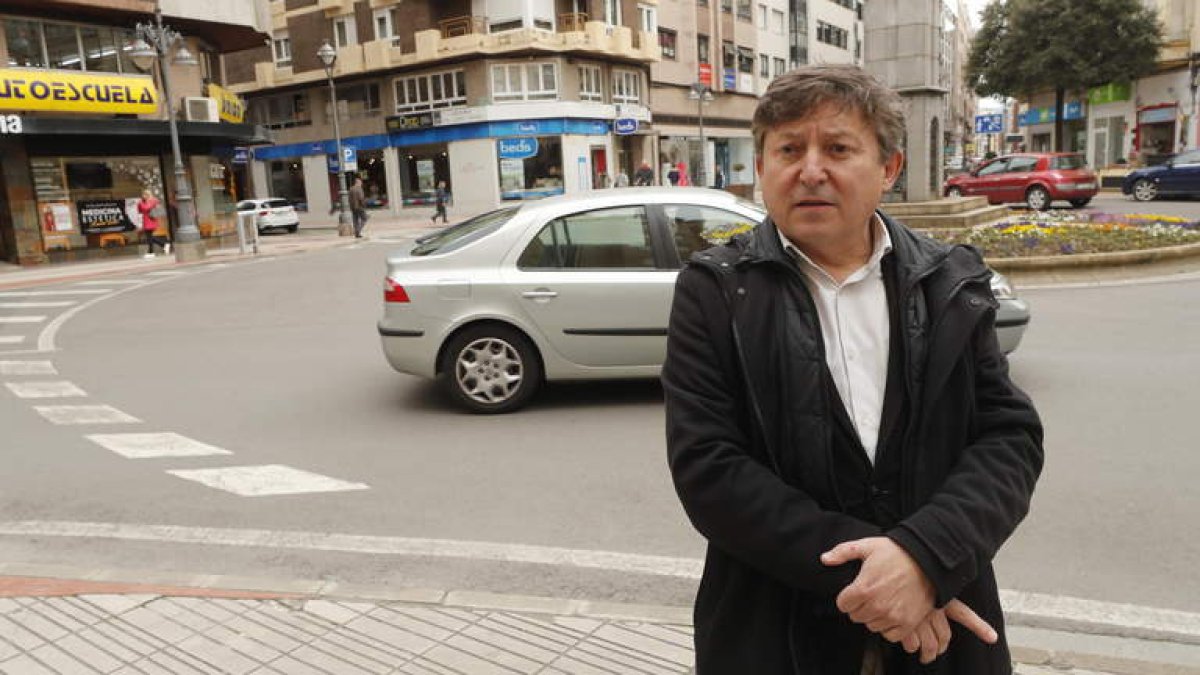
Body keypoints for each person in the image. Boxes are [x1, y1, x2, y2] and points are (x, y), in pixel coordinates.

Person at [662, 64, 1043, 674]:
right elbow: (710, 469)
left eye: (838, 148)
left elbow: (1008, 438)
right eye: (788, 149)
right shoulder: (716, 290)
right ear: (762, 169)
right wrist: (882, 580)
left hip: (941, 636)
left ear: (888, 169)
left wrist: (924, 559)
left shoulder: (949, 281)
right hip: (775, 635)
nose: (810, 169)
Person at [136, 189, 170, 258]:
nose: (143, 196)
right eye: (143, 195)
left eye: (144, 195)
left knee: (149, 237)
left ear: (148, 195)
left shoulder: (152, 201)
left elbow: (146, 208)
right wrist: (140, 204)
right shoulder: (144, 202)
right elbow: (140, 211)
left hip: (150, 221)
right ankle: (161, 246)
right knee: (149, 237)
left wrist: (140, 203)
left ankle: (154, 250)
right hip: (146, 221)